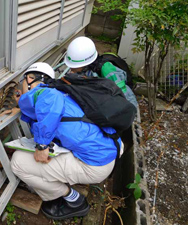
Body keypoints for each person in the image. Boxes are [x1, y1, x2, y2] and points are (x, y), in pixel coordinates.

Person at [11, 62, 124, 220]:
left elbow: (49, 103)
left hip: (94, 165)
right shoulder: (64, 92)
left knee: (18, 161)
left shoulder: (46, 93)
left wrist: (42, 145)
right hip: (108, 151)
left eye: (21, 83)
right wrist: (23, 104)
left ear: (29, 79)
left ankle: (74, 201)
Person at [64, 36, 138, 108]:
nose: (71, 69)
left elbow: (123, 93)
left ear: (86, 63)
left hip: (126, 104)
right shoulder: (87, 69)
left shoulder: (107, 69)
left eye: (74, 66)